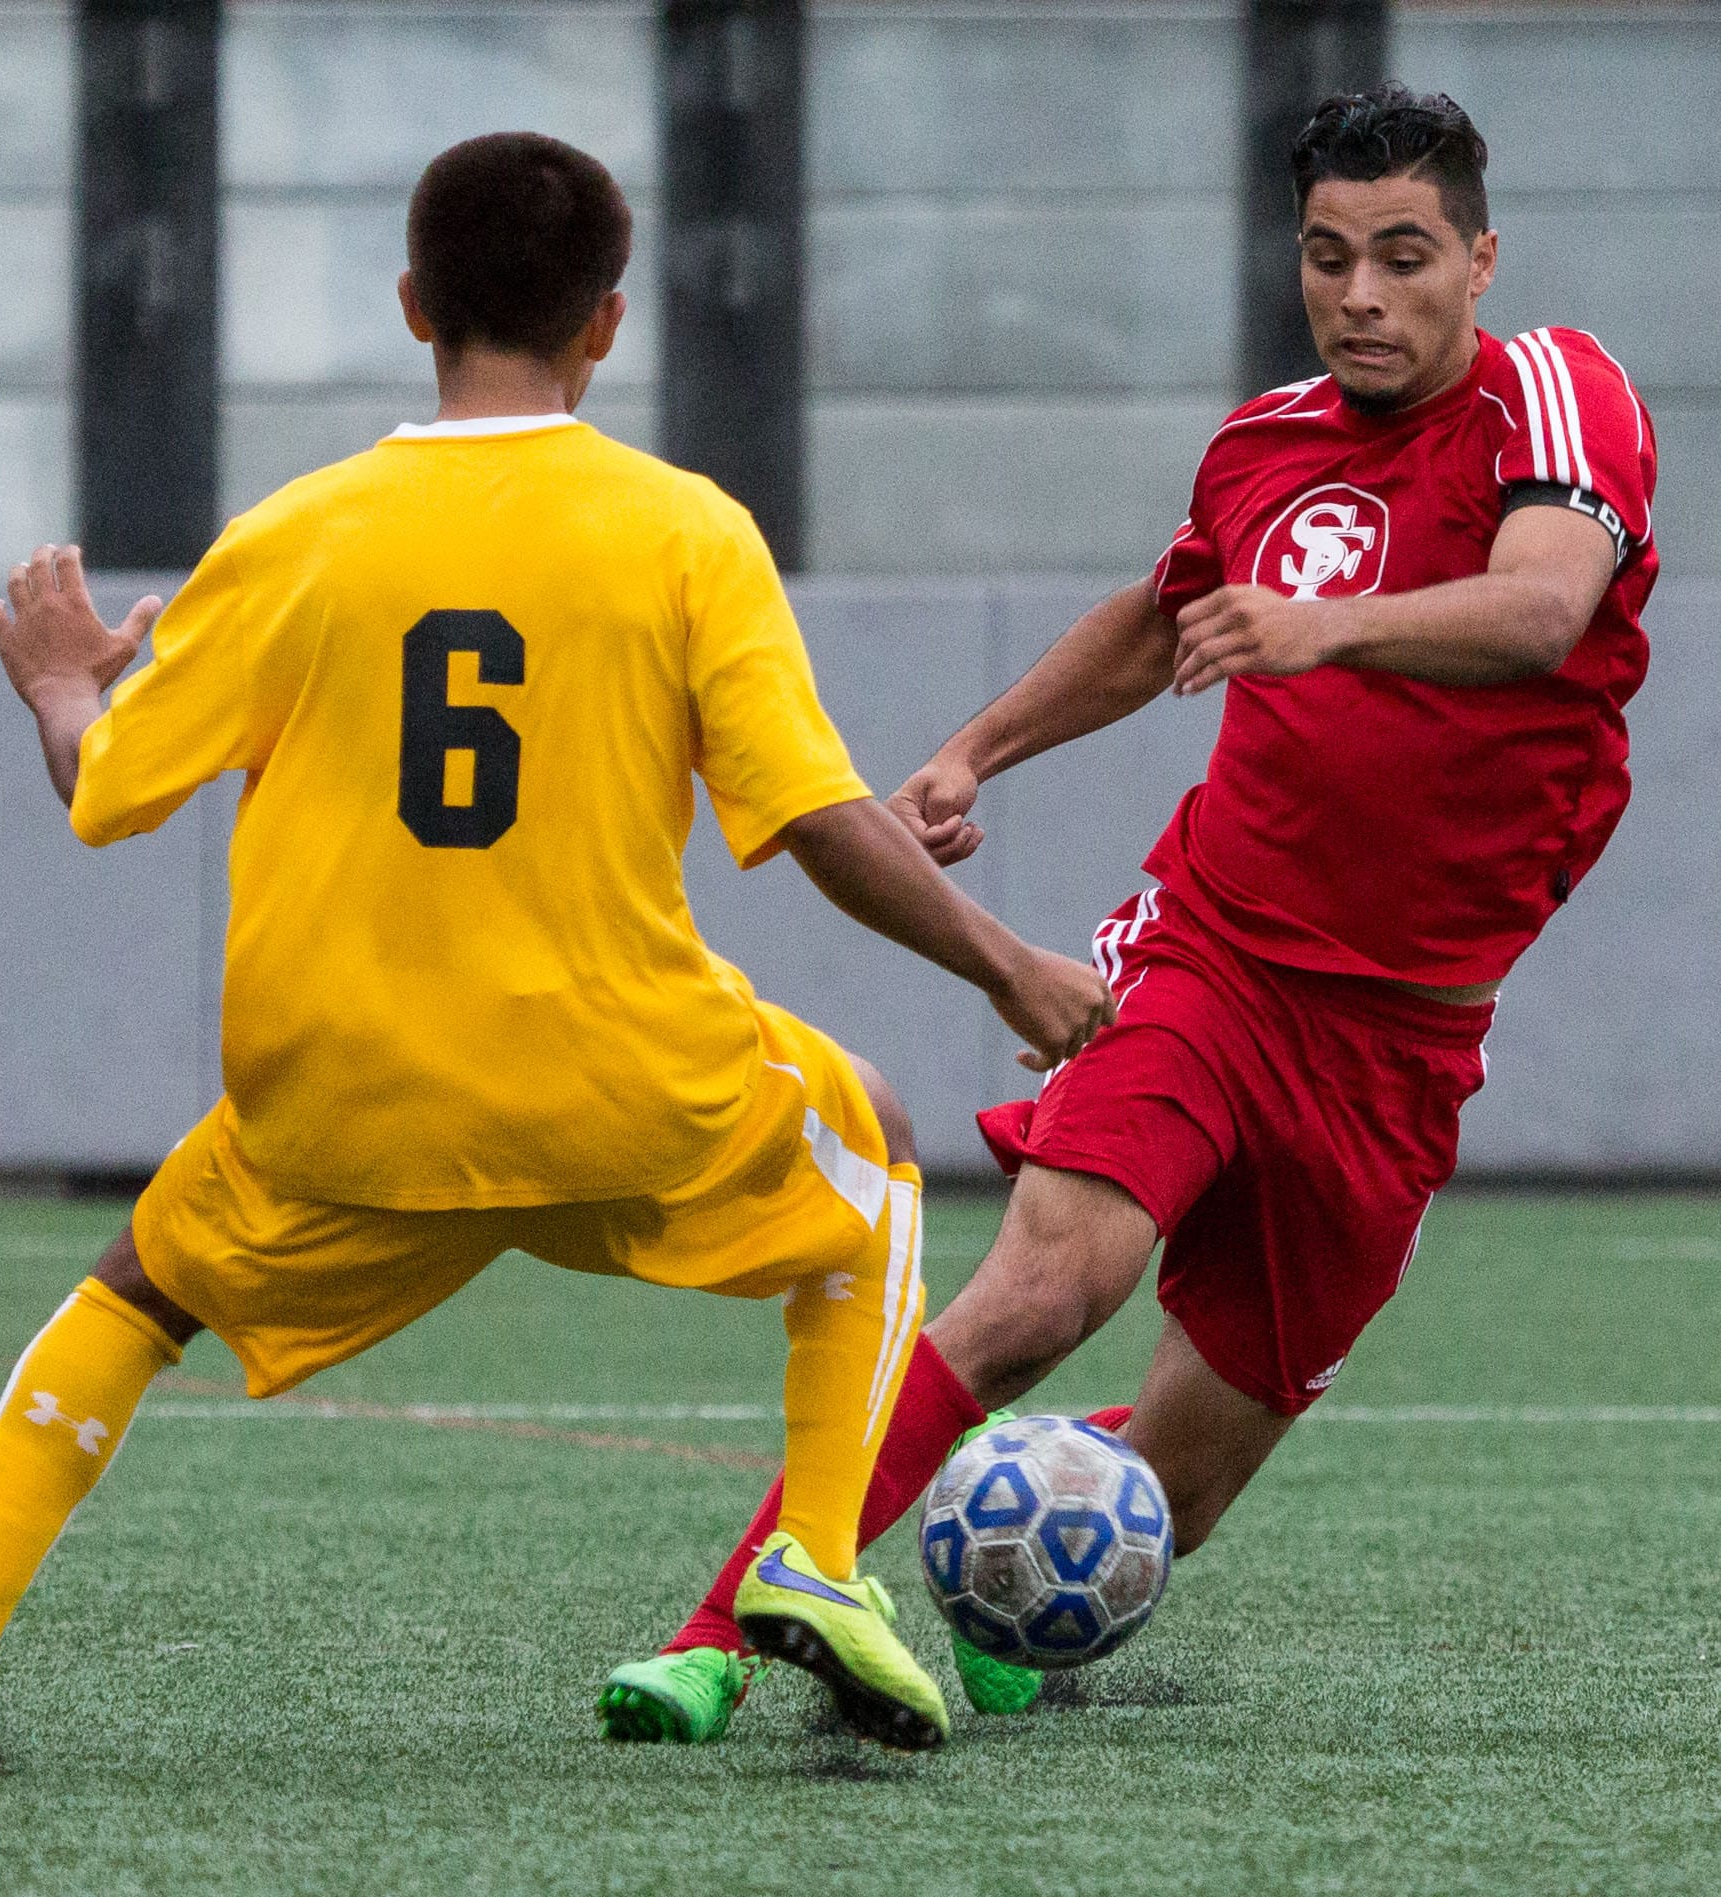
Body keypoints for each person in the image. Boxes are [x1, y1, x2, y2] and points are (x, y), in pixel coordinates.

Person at [0, 132, 1116, 1766]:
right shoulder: (685, 529)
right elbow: (822, 819)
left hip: (345, 1107)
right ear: (608, 324)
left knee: (132, 1295)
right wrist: (1009, 967)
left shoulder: (297, 535)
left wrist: (67, 686)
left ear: (412, 300)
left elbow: (107, 793)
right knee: (879, 1154)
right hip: (625, 1089)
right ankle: (816, 1559)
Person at [599, 84, 1659, 1740]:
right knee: (1036, 1293)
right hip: (1214, 954)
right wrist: (973, 750)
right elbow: (1161, 617)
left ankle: (997, 1570)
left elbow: (1542, 610)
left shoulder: (1557, 393)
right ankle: (721, 1629)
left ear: (1479, 258)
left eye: (1403, 257)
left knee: (1177, 1488)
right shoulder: (1263, 444)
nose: (1362, 295)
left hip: (1404, 1041)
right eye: (1328, 258)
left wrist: (1329, 628)